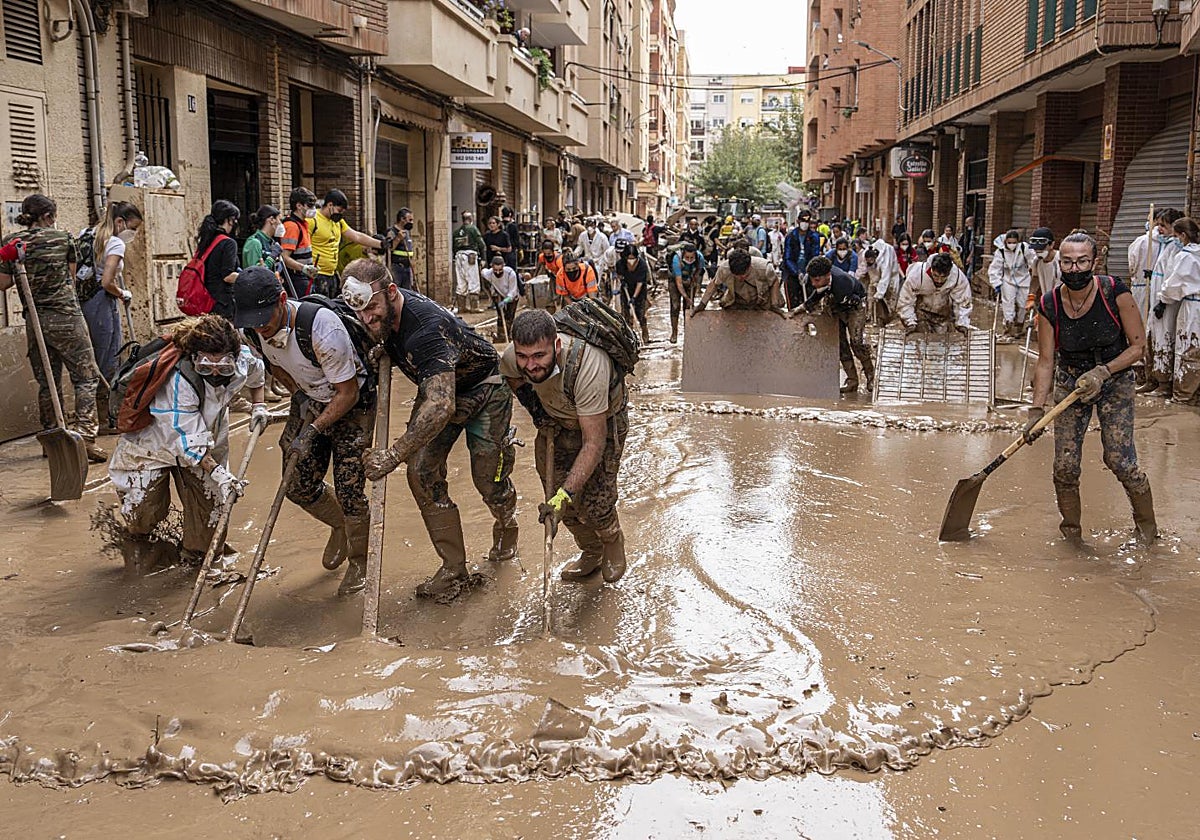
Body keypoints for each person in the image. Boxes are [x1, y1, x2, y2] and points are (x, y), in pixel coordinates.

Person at [344, 262, 519, 596]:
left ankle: (506, 522)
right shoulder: (380, 313)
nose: (367, 319)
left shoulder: (427, 328)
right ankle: (454, 568)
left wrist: (392, 454)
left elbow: (441, 406)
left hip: (484, 388)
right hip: (440, 386)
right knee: (421, 471)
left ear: (391, 293)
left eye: (372, 309)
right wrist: (385, 347)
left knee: (487, 477)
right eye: (360, 312)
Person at [232, 266, 374, 595]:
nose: (261, 331)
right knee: (296, 484)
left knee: (350, 485)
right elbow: (277, 365)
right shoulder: (253, 331)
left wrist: (313, 429)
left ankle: (359, 560)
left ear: (283, 300)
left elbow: (348, 393)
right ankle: (339, 524)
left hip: (351, 401)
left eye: (265, 321)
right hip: (310, 396)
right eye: (253, 324)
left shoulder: (322, 328)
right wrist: (301, 397)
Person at [1024, 231, 1155, 543]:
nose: (1074, 269)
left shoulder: (1115, 292)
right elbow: (1045, 361)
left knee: (1119, 460)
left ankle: (1148, 530)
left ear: (1094, 262)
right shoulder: (1049, 304)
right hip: (1071, 380)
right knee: (1065, 467)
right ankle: (1072, 536)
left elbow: (1138, 347)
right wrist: (1035, 410)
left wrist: (1103, 372)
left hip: (1114, 377)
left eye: (1082, 261)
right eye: (1067, 262)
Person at [108, 314, 267, 570]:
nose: (215, 373)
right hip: (151, 443)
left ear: (235, 357)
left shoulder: (245, 360)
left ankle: (194, 558)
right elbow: (190, 445)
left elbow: (258, 376)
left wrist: (259, 406)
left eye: (223, 367)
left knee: (210, 524)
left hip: (208, 438)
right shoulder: (178, 382)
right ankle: (145, 544)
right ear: (194, 358)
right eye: (206, 366)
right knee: (143, 514)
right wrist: (220, 473)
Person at [501, 309, 628, 583]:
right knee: (557, 499)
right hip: (557, 418)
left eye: (539, 356)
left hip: (601, 419)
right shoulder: (514, 358)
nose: (530, 365)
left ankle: (612, 541)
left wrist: (565, 494)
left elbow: (593, 443)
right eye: (523, 356)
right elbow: (512, 375)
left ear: (556, 346)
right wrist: (537, 411)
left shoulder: (588, 364)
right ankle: (591, 552)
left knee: (596, 499)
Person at [0, 194, 105, 462]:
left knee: (48, 382)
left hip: (36, 321)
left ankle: (52, 439)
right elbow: (70, 276)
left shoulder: (12, 242)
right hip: (67, 318)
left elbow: (2, 283)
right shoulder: (63, 238)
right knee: (85, 378)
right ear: (49, 216)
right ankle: (86, 438)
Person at [84, 200, 143, 399]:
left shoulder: (87, 234)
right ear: (120, 222)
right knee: (109, 355)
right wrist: (121, 293)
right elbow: (106, 281)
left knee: (91, 355)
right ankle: (107, 410)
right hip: (101, 301)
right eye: (133, 228)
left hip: (83, 301)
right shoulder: (116, 243)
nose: (133, 234)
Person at [803, 255, 874, 394]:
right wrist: (803, 308)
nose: (813, 283)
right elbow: (816, 296)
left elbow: (826, 295)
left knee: (856, 341)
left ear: (828, 275)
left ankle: (871, 376)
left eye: (817, 280)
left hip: (855, 305)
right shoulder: (815, 281)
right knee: (839, 342)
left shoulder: (843, 281)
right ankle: (852, 380)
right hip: (836, 304)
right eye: (812, 280)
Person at [1154, 217, 1200, 403]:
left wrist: (1162, 299)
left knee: (1187, 348)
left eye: (1176, 236)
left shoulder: (1186, 257)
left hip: (1192, 306)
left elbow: (1174, 285)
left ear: (1183, 235)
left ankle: (1184, 395)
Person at [307, 189, 382, 298]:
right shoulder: (313, 220)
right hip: (316, 275)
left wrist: (380, 244)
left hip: (332, 274)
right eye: (339, 210)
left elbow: (356, 236)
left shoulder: (337, 222)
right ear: (330, 205)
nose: (341, 214)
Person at [691, 248, 785, 316]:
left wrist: (774, 304)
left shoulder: (764, 267)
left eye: (744, 275)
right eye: (737, 275)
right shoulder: (724, 269)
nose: (741, 278)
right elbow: (714, 284)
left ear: (749, 267)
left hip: (762, 299)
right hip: (738, 300)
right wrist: (702, 304)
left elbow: (774, 282)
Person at [896, 252, 973, 335]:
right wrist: (910, 322)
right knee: (923, 337)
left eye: (943, 277)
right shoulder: (917, 275)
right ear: (931, 269)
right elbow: (905, 301)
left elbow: (963, 301)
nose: (939, 281)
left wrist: (962, 323)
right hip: (921, 312)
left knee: (941, 341)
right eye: (936, 276)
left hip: (942, 313)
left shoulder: (957, 277)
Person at [196, 200, 241, 321]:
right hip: (223, 303)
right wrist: (248, 277)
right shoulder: (228, 243)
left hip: (205, 301)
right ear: (229, 220)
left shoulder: (206, 240)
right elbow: (227, 275)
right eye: (235, 219)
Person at [989, 228, 1035, 339]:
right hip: (1008, 280)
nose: (1012, 245)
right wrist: (996, 283)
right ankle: (1008, 328)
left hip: (1024, 279)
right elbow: (995, 268)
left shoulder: (1025, 248)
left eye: (1014, 242)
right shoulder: (1000, 252)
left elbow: (1033, 261)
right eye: (1009, 242)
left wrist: (1034, 276)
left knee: (1023, 304)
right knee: (1008, 303)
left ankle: (1019, 326)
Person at [280, 187, 320, 294]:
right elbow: (284, 257)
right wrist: (303, 268)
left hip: (304, 277)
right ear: (299, 206)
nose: (313, 209)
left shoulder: (302, 224)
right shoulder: (292, 226)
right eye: (310, 205)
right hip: (296, 278)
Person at [782, 213, 822, 309]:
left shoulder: (814, 237)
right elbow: (787, 258)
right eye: (803, 221)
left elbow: (815, 256)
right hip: (792, 274)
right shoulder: (791, 237)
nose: (805, 224)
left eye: (807, 221)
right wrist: (797, 272)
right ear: (798, 221)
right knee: (793, 303)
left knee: (810, 302)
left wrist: (808, 272)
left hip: (809, 274)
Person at [614, 244, 652, 344]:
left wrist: (634, 297)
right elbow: (619, 275)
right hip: (626, 288)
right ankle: (630, 338)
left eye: (633, 258)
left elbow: (640, 283)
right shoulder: (620, 264)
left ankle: (645, 335)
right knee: (625, 315)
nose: (631, 260)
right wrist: (621, 281)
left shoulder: (642, 265)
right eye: (629, 258)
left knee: (641, 315)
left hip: (639, 291)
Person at [668, 243, 706, 343]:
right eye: (687, 257)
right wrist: (686, 297)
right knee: (675, 306)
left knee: (688, 308)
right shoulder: (676, 259)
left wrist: (695, 281)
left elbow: (699, 271)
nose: (689, 260)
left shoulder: (700, 258)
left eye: (691, 257)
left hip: (690, 279)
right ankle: (674, 332)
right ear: (683, 254)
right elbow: (679, 282)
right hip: (675, 280)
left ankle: (688, 332)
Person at [453, 210, 487, 313]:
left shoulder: (456, 232)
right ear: (471, 219)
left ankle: (461, 307)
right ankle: (474, 307)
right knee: (473, 281)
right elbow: (481, 244)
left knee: (461, 281)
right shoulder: (473, 229)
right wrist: (484, 258)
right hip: (470, 257)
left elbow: (454, 248)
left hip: (458, 257)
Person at [483, 256, 520, 343]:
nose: (498, 272)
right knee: (500, 316)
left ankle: (509, 335)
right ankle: (501, 336)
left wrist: (505, 301)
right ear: (492, 266)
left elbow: (512, 292)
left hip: (512, 297)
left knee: (509, 317)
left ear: (504, 266)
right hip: (499, 295)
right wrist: (492, 291)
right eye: (495, 270)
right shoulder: (489, 273)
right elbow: (483, 272)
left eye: (500, 270)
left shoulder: (511, 274)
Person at [242, 205, 284, 272]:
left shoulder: (271, 242)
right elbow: (256, 273)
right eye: (280, 220)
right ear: (272, 220)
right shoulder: (254, 242)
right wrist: (272, 257)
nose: (281, 224)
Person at [385, 207, 417, 291]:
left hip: (407, 267)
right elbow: (389, 248)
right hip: (397, 267)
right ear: (402, 219)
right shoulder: (391, 232)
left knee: (407, 292)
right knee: (396, 291)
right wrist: (398, 238)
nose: (412, 222)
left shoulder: (406, 232)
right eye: (410, 220)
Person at [1027, 227, 1060, 306]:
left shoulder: (1060, 260)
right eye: (1036, 250)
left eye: (1041, 250)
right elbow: (1035, 278)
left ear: (1051, 244)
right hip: (1048, 300)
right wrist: (1031, 296)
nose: (1038, 253)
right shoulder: (1037, 261)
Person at [482, 216, 514, 286]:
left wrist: (498, 248)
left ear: (498, 224)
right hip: (491, 262)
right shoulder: (487, 235)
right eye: (490, 223)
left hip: (503, 262)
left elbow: (509, 249)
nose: (491, 225)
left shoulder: (504, 235)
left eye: (493, 223)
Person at [501, 206, 521, 273]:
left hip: (500, 250)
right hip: (511, 251)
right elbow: (517, 239)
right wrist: (519, 249)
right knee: (512, 271)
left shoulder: (499, 224)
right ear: (510, 214)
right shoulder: (513, 225)